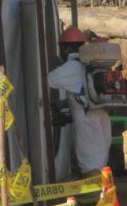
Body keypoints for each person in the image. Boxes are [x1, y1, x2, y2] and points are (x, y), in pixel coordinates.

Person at [48, 26, 112, 179]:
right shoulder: (91, 65)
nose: (61, 52)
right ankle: (102, 192)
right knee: (100, 156)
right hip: (101, 115)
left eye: (62, 48)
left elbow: (48, 79)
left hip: (86, 119)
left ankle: (93, 195)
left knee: (89, 159)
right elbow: (82, 92)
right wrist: (64, 105)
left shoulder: (71, 67)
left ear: (69, 47)